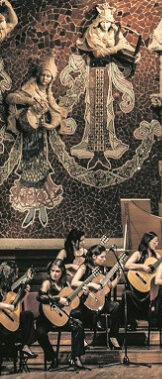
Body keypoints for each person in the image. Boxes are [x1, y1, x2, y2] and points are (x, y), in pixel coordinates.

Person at [5, 54, 67, 228]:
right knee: (29, 172)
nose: (45, 79)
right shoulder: (30, 87)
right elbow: (10, 98)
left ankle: (41, 208)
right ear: (38, 74)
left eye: (49, 76)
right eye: (43, 75)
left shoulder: (47, 92)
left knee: (42, 171)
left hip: (40, 137)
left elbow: (55, 109)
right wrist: (29, 100)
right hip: (29, 136)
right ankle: (31, 209)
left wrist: (52, 124)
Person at [71, 244, 123, 350]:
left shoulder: (103, 269)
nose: (104, 259)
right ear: (94, 256)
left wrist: (117, 278)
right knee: (77, 313)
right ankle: (81, 339)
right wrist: (90, 285)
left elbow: (109, 286)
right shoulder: (84, 267)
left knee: (116, 306)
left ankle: (113, 336)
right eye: (102, 257)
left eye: (105, 257)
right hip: (86, 301)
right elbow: (74, 282)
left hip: (100, 300)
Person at [36, 260, 86, 368]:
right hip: (46, 319)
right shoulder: (47, 283)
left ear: (62, 272)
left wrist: (83, 293)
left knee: (78, 325)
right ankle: (52, 357)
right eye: (52, 271)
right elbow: (40, 297)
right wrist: (58, 299)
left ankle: (75, 357)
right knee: (39, 332)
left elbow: (72, 303)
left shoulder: (65, 284)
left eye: (57, 271)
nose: (54, 273)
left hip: (60, 317)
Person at [123, 232, 160, 330]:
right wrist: (142, 267)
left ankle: (154, 320)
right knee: (127, 294)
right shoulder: (138, 254)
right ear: (147, 241)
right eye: (154, 242)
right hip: (136, 288)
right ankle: (131, 322)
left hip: (149, 290)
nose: (157, 244)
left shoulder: (158, 257)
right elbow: (126, 265)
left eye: (157, 242)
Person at [0, 262, 37, 359]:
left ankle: (25, 345)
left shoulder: (8, 287)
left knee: (27, 315)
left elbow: (15, 304)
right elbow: (9, 306)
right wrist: (7, 306)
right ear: (7, 274)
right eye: (14, 274)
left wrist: (23, 294)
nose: (16, 277)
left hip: (7, 318)